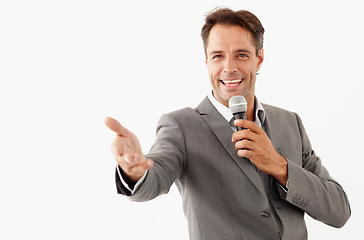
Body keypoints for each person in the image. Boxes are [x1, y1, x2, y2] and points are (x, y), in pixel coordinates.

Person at [105, 8, 351, 240]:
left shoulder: (290, 122)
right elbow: (154, 178)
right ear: (207, 62)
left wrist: (280, 167)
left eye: (241, 55)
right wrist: (134, 173)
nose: (229, 68)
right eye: (218, 56)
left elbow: (339, 211)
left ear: (259, 58)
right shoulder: (181, 126)